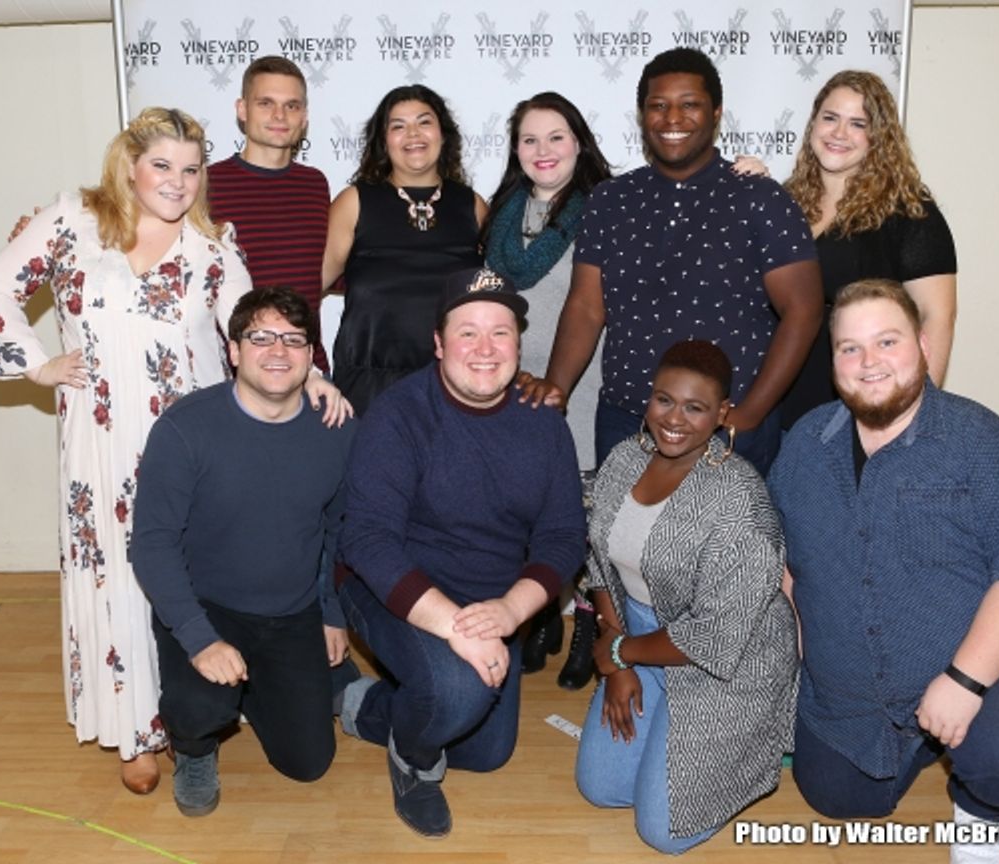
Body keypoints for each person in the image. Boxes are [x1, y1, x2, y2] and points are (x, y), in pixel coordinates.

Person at [0, 108, 257, 795]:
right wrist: (38, 366)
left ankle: (188, 722)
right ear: (128, 164)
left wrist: (311, 379)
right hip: (98, 445)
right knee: (117, 581)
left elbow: (253, 331)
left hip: (188, 445)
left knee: (184, 577)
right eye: (163, 165)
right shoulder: (74, 221)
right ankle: (136, 730)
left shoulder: (212, 247)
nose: (178, 181)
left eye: (191, 169)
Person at [767, 279, 999, 864]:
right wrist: (806, 651)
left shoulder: (983, 441)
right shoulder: (805, 445)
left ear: (924, 345)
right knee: (837, 797)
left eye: (887, 342)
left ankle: (978, 801)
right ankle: (921, 741)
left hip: (973, 660)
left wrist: (963, 683)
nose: (869, 364)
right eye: (850, 348)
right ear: (832, 359)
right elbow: (787, 565)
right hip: (853, 681)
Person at [335, 267, 586, 838]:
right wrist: (454, 627)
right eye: (467, 332)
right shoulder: (399, 414)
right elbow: (367, 540)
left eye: (500, 332)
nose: (484, 348)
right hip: (393, 585)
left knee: (484, 752)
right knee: (457, 692)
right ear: (439, 343)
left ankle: (363, 704)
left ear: (518, 345)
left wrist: (509, 613)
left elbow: (564, 537)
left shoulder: (544, 424)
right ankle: (413, 762)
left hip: (491, 598)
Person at [529, 47, 823, 477]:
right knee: (619, 544)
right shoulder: (610, 201)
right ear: (641, 114)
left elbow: (804, 310)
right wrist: (556, 386)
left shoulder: (760, 199)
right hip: (625, 420)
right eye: (658, 106)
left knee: (725, 546)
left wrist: (751, 413)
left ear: (716, 113)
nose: (672, 119)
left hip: (725, 427)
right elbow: (587, 307)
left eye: (690, 105)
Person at [131, 287, 358, 817]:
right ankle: (194, 748)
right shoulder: (185, 428)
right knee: (198, 703)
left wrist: (331, 613)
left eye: (294, 339)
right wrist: (199, 638)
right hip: (210, 607)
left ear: (310, 356)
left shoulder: (337, 428)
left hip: (291, 611)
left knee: (308, 763)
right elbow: (151, 544)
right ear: (233, 350)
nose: (278, 351)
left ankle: (258, 688)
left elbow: (338, 529)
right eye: (260, 337)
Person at [575, 340, 797, 854]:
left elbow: (716, 637)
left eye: (695, 408)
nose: (674, 419)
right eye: (663, 400)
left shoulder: (739, 500)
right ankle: (663, 727)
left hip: (725, 664)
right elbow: (600, 562)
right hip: (637, 635)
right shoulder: (625, 459)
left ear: (722, 415)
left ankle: (753, 750)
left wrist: (615, 655)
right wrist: (618, 653)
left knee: (664, 833)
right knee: (601, 787)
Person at [735, 70, 957, 429]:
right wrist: (756, 189)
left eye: (858, 124)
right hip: (777, 395)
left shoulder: (910, 213)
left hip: (862, 396)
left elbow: (937, 316)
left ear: (878, 137)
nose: (839, 133)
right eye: (830, 118)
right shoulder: (786, 203)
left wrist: (917, 415)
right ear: (813, 124)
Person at [481, 91, 612, 688]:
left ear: (578, 142)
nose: (543, 150)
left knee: (586, 516)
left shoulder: (606, 207)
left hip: (580, 386)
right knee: (526, 513)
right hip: (509, 390)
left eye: (556, 136)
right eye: (529, 139)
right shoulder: (501, 213)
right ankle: (538, 614)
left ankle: (587, 618)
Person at [323, 85, 485, 414]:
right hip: (368, 389)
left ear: (443, 133)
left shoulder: (473, 206)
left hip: (455, 385)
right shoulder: (354, 202)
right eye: (398, 126)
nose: (413, 134)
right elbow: (310, 289)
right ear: (384, 141)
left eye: (424, 122)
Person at [207, 56, 333, 373]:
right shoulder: (206, 185)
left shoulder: (315, 184)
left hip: (309, 370)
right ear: (242, 109)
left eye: (292, 105)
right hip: (236, 375)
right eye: (266, 103)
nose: (280, 115)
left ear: (304, 116)